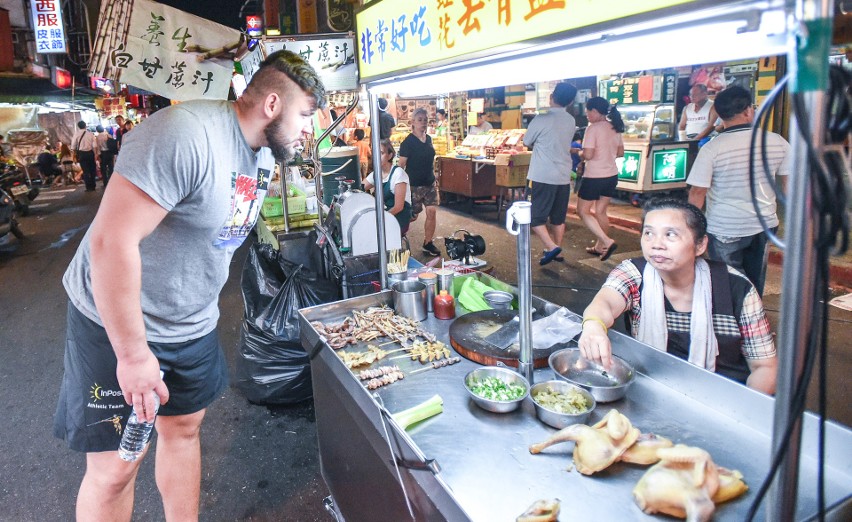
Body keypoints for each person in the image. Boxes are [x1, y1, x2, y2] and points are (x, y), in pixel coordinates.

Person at [53, 50, 325, 521]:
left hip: (191, 323)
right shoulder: (186, 135)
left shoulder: (261, 153)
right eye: (305, 115)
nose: (308, 129)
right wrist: (134, 356)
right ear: (273, 104)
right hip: (116, 322)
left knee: (183, 429)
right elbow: (110, 242)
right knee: (118, 466)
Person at [578, 198, 777, 394]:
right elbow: (604, 302)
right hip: (654, 387)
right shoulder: (634, 273)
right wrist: (594, 326)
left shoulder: (737, 288)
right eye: (648, 233)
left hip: (723, 396)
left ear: (700, 245)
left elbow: (764, 367)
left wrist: (739, 414)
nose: (656, 244)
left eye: (670, 235)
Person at [687, 85, 789, 296]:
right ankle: (754, 321)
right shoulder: (776, 142)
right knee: (755, 279)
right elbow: (790, 186)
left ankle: (733, 322)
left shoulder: (712, 148)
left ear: (720, 115)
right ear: (748, 111)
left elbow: (698, 192)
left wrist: (690, 229)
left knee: (726, 281)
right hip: (764, 224)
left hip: (724, 227)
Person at [522, 81, 577, 265]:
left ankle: (551, 247)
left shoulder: (542, 117)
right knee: (558, 217)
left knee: (535, 217)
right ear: (569, 102)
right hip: (563, 175)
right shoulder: (570, 120)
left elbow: (527, 141)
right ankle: (556, 251)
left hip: (542, 175)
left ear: (552, 97)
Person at [577, 96, 625, 262]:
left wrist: (579, 153)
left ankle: (606, 241)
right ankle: (600, 247)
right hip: (611, 175)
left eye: (588, 112)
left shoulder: (593, 129)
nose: (587, 116)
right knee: (600, 211)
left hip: (594, 177)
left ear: (595, 111)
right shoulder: (615, 127)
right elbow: (620, 153)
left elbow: (588, 154)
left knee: (583, 211)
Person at [398, 107, 440, 256]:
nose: (423, 123)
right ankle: (394, 236)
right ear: (413, 123)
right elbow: (401, 165)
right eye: (420, 120)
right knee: (411, 216)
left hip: (429, 183)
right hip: (414, 185)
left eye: (425, 120)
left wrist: (435, 176)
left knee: (432, 211)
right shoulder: (407, 143)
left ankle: (428, 242)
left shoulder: (428, 139)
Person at [363, 139, 412, 237]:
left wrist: (379, 220)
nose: (377, 156)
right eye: (374, 153)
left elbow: (398, 207)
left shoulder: (398, 174)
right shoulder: (376, 174)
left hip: (398, 217)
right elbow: (361, 187)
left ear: (390, 155)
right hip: (385, 214)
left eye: (381, 153)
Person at [71, 121, 98, 191]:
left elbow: (73, 146)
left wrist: (73, 156)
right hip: (90, 153)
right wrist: (95, 154)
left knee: (85, 171)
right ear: (85, 126)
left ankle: (88, 187)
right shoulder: (90, 134)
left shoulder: (76, 134)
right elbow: (94, 145)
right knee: (92, 170)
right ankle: (93, 185)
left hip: (82, 154)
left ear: (78, 126)